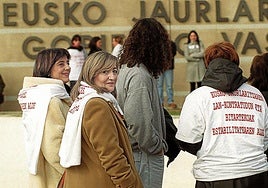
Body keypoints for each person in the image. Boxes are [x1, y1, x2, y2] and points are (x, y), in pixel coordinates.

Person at [176, 41, 268, 188]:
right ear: (236, 61)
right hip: (257, 174)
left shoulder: (198, 96)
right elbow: (264, 140)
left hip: (213, 175)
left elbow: (187, 140)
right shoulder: (256, 94)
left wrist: (211, 147)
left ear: (207, 64)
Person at [59, 51, 143, 188]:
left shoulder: (84, 100)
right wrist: (130, 184)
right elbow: (111, 155)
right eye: (104, 72)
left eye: (115, 71)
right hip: (101, 181)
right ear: (92, 74)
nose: (112, 77)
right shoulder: (96, 105)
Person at [116, 18, 171, 188]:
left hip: (139, 153)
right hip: (143, 155)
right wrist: (156, 146)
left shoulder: (127, 69)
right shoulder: (139, 75)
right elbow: (137, 121)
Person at [17, 48, 72, 188]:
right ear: (47, 69)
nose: (68, 67)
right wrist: (73, 175)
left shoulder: (37, 95)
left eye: (67, 62)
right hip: (58, 178)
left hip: (45, 175)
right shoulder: (50, 100)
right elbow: (53, 146)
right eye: (61, 64)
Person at [157, 40, 177, 109]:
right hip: (160, 68)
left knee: (169, 86)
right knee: (159, 86)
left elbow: (173, 53)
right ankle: (160, 102)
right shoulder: (158, 44)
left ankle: (170, 101)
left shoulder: (171, 44)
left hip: (169, 68)